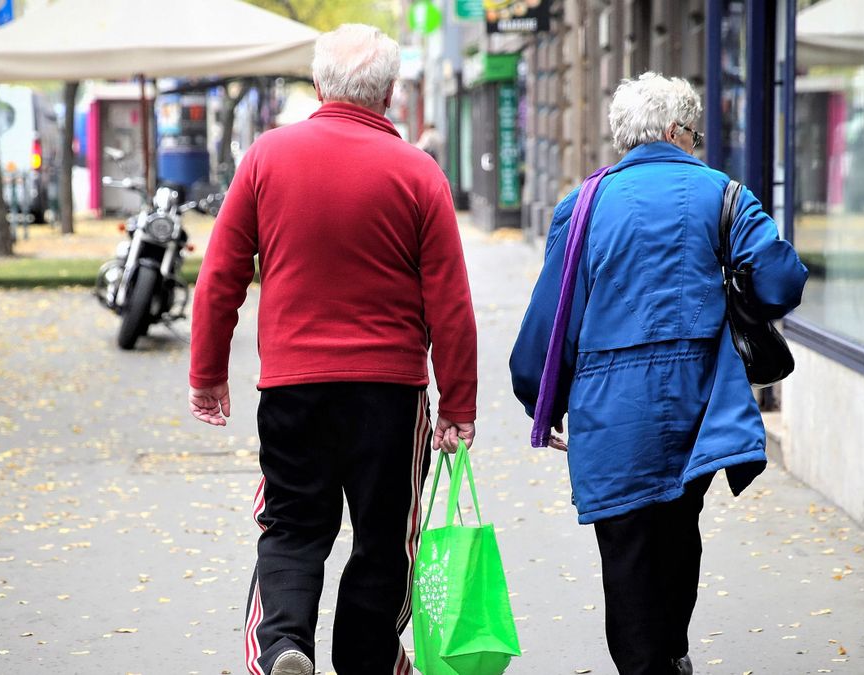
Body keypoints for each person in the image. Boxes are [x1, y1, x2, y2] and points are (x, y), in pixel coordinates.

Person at [188, 24, 477, 675]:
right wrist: (458, 405)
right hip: (391, 395)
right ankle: (365, 660)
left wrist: (208, 374)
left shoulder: (267, 157)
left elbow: (222, 273)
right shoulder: (418, 173)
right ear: (391, 93)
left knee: (291, 526)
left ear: (320, 86)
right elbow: (451, 305)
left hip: (294, 389)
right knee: (384, 543)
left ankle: (286, 644)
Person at [510, 72, 808, 675]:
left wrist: (538, 397)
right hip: (698, 407)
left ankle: (650, 661)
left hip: (611, 414)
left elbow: (549, 326)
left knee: (627, 554)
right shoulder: (722, 193)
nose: (696, 145)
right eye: (694, 134)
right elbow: (781, 282)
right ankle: (670, 652)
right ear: (675, 131)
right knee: (678, 527)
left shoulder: (582, 206)